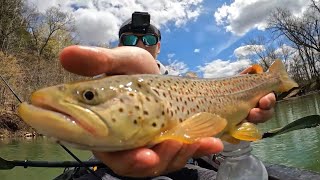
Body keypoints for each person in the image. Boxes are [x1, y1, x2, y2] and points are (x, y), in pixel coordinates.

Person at [56, 12, 276, 179]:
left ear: (158, 47)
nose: (140, 44)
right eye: (130, 40)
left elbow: (203, 132)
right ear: (119, 45)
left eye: (149, 40)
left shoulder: (185, 84)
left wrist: (232, 133)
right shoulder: (99, 88)